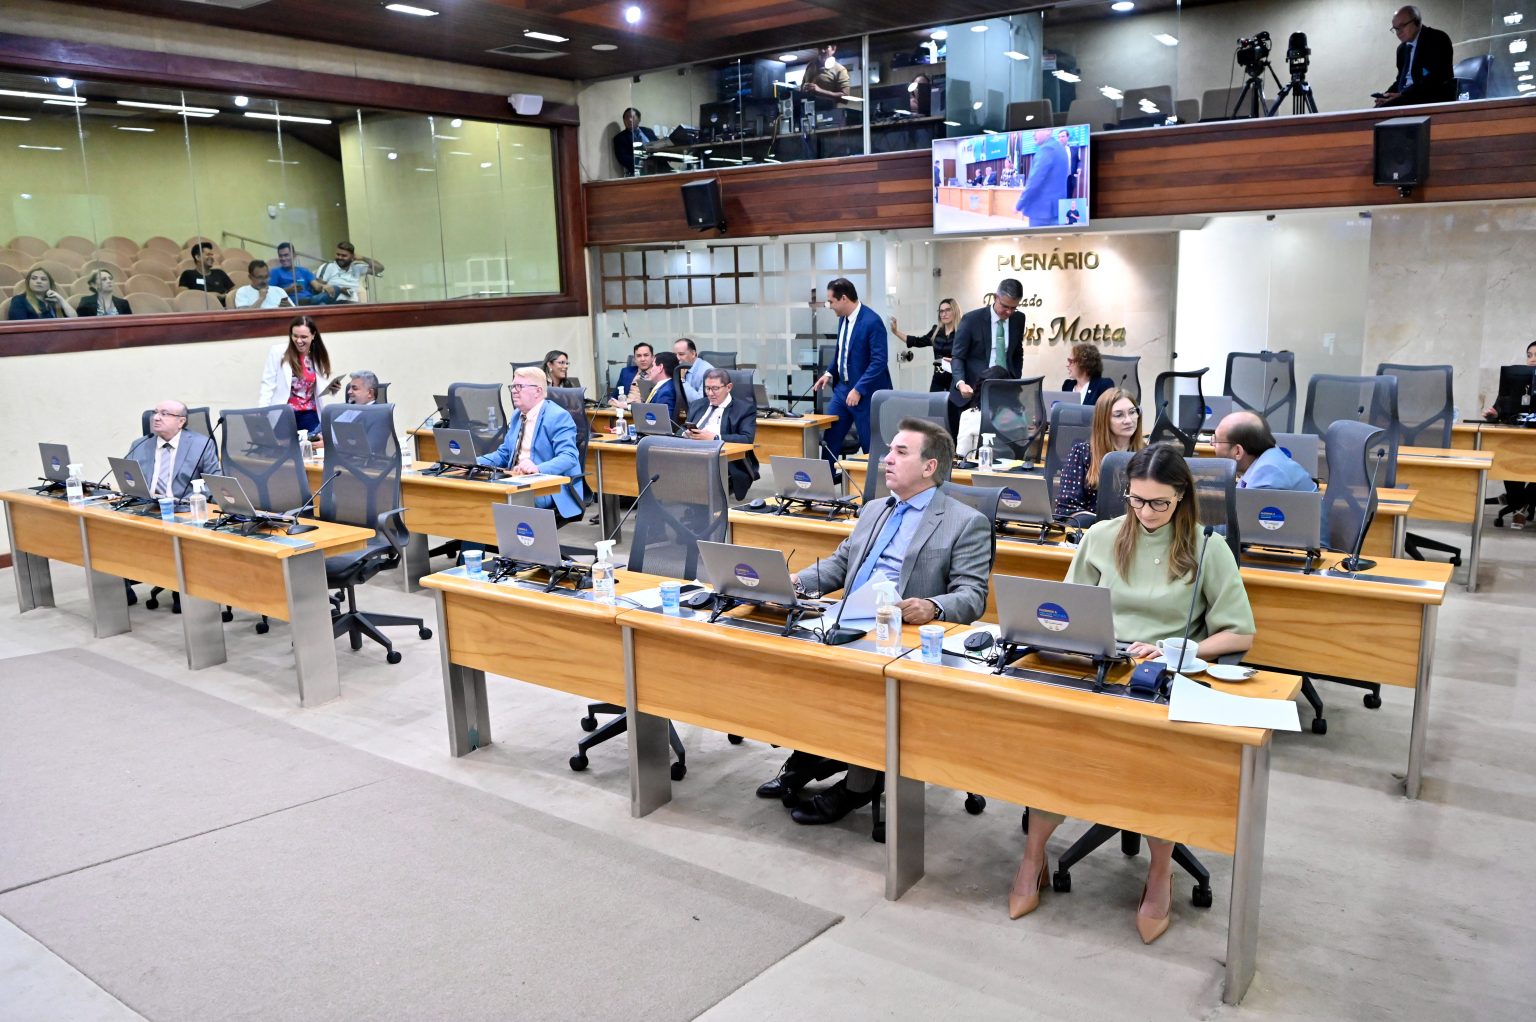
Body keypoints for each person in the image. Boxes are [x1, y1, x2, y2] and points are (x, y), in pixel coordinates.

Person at [1011, 445, 1255, 941]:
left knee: (1155, 762)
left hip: (1160, 678)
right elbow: (1067, 610)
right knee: (1053, 747)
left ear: (1182, 497)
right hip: (1099, 668)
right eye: (1137, 500)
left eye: (1159, 503)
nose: (1146, 512)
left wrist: (1177, 649)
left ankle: (1160, 872)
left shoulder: (1208, 547)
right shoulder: (1101, 536)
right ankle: (1033, 858)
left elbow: (1239, 633)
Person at [758, 418, 992, 823]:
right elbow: (840, 564)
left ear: (929, 467)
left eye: (901, 452)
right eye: (888, 451)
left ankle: (858, 786)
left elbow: (972, 596)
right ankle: (810, 755)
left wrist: (933, 606)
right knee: (789, 661)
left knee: (862, 689)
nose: (887, 459)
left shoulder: (965, 521)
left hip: (902, 636)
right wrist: (794, 581)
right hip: (848, 620)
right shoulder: (873, 509)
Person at [476, 367, 586, 520]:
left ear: (538, 391)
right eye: (512, 387)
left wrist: (537, 468)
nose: (514, 391)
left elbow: (569, 457)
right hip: (515, 479)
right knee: (479, 492)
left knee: (501, 500)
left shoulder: (558, 416)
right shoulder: (517, 415)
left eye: (519, 387)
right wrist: (473, 461)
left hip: (548, 486)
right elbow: (504, 454)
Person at [813, 276, 892, 461]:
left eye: (831, 301)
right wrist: (829, 373)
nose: (829, 306)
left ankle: (872, 480)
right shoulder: (843, 319)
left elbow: (879, 361)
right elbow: (842, 352)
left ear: (844, 298)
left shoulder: (872, 321)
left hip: (866, 394)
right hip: (842, 390)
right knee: (830, 439)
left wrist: (858, 389)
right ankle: (827, 477)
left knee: (870, 446)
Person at [950, 279, 1027, 436]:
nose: (1009, 312)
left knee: (1004, 440)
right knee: (969, 443)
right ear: (995, 298)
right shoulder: (972, 319)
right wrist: (961, 383)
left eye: (1013, 308)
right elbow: (958, 356)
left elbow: (1017, 352)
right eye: (1005, 306)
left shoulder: (1018, 319)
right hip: (972, 393)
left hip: (1004, 394)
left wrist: (1014, 378)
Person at [1054, 388, 1146, 517]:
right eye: (1119, 415)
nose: (1128, 420)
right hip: (1094, 525)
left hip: (1135, 525)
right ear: (1104, 420)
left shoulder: (1148, 455)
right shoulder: (1082, 453)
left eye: (1132, 412)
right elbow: (1066, 508)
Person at [258, 315, 341, 434]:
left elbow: (316, 387)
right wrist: (263, 411)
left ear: (313, 335)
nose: (298, 341)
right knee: (284, 445)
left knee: (313, 444)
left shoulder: (316, 355)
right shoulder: (278, 351)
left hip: (309, 414)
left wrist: (332, 389)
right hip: (284, 414)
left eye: (303, 337)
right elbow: (268, 384)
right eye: (295, 336)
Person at [686, 368, 759, 500]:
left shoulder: (744, 409)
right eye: (707, 388)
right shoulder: (697, 405)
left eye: (715, 388)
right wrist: (685, 434)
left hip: (723, 459)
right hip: (692, 453)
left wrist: (715, 438)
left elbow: (747, 438)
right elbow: (682, 428)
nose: (710, 393)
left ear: (728, 387)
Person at [128, 399, 221, 500]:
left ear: (181, 421)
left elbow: (214, 483)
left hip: (184, 505)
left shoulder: (202, 445)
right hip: (144, 504)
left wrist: (193, 498)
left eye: (164, 414)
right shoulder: (139, 445)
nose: (156, 418)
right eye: (155, 412)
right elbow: (128, 478)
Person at [1488, 341, 1536, 526]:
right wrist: (1495, 414)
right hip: (1520, 437)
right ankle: (1519, 504)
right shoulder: (1517, 379)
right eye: (1529, 355)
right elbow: (1500, 407)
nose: (1532, 360)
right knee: (1509, 459)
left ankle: (1519, 502)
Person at [1212, 411, 1317, 490]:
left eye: (1216, 440)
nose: (1211, 443)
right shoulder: (1267, 457)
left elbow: (1244, 512)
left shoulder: (1266, 475)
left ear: (1238, 451)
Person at [1376, 6, 1456, 107]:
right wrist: (1385, 95)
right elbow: (1401, 80)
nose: (1399, 32)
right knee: (1377, 108)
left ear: (1417, 22)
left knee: (1384, 108)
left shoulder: (1437, 38)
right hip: (1406, 97)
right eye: (1396, 29)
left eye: (1402, 26)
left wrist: (1403, 95)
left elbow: (1435, 79)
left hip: (1429, 96)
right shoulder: (1402, 49)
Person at [890, 297, 960, 395]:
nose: (944, 314)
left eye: (948, 310)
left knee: (953, 405)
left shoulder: (962, 333)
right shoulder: (936, 331)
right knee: (934, 404)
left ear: (955, 311)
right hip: (938, 380)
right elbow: (917, 341)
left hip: (956, 380)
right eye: (941, 311)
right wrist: (895, 332)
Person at [1016, 128, 1068, 226]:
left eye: (1036, 130)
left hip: (1042, 213)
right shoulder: (1061, 149)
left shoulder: (1046, 149)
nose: (1033, 134)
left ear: (1048, 130)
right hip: (1059, 209)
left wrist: (1019, 204)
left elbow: (1034, 181)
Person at [314, 241, 383, 304]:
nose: (340, 257)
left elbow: (380, 268)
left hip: (353, 304)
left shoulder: (357, 267)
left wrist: (363, 258)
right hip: (334, 304)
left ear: (352, 256)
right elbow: (317, 287)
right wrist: (337, 289)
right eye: (338, 254)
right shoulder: (328, 267)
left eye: (344, 256)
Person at [6, 267, 78, 320]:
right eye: (34, 278)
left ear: (50, 284)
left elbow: (74, 320)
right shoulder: (19, 300)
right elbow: (19, 327)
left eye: (43, 279)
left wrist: (62, 300)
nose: (38, 281)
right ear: (28, 283)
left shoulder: (53, 301)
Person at [612, 107, 657, 177]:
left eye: (632, 117)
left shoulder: (648, 131)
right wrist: (644, 162)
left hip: (659, 167)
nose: (629, 120)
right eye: (626, 118)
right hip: (639, 172)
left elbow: (658, 145)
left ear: (639, 119)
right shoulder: (620, 138)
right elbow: (623, 158)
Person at [609, 341, 655, 407]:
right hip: (624, 409)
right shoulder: (626, 372)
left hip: (645, 410)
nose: (642, 359)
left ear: (652, 357)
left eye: (646, 355)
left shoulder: (658, 374)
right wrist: (614, 403)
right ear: (635, 359)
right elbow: (614, 397)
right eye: (639, 356)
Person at [673, 338, 715, 404]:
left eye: (681, 354)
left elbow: (699, 402)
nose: (677, 358)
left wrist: (682, 380)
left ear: (693, 354)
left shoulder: (708, 371)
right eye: (675, 355)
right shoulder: (677, 368)